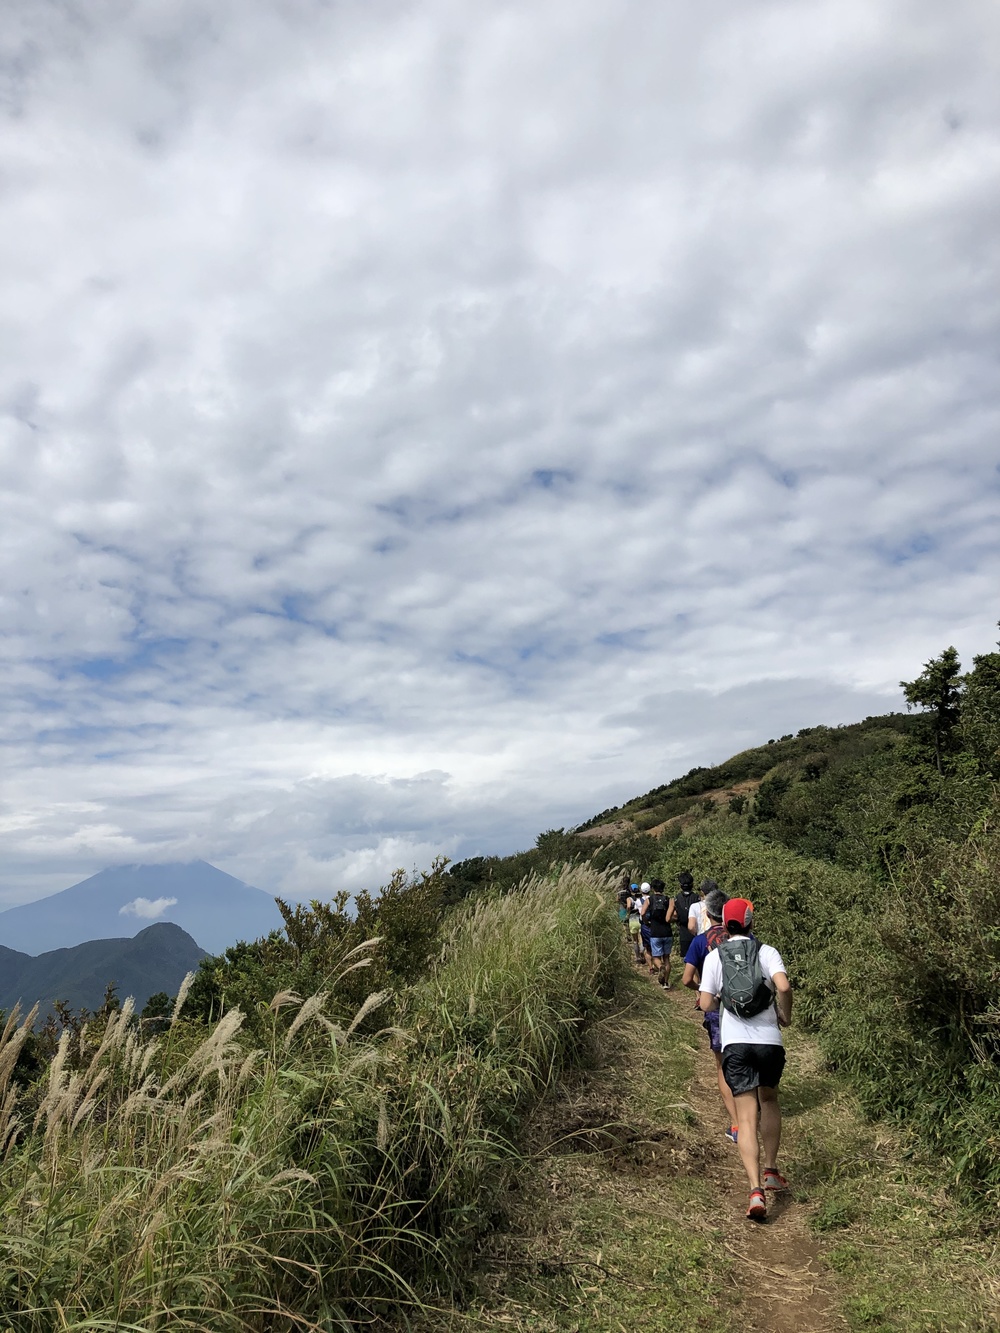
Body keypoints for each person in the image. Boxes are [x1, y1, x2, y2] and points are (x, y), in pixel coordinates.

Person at [697, 898, 792, 1222]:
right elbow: (783, 987)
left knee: (747, 1118)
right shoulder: (767, 952)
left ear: (723, 924)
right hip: (769, 1042)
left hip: (735, 1044)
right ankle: (771, 1171)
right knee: (770, 1100)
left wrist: (726, 1003)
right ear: (752, 923)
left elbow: (705, 1003)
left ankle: (755, 1191)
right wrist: (785, 1015)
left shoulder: (715, 956)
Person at [681, 887, 738, 1143]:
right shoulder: (743, 938)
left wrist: (702, 989)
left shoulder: (700, 942)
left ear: (707, 913)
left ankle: (737, 1124)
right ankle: (752, 1108)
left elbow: (686, 979)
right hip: (744, 1007)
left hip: (716, 1009)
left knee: (723, 1065)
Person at [641, 878, 673, 987]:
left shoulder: (649, 900)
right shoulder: (668, 900)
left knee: (656, 958)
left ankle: (660, 967)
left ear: (653, 888)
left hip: (655, 932)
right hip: (667, 932)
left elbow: (643, 912)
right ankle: (666, 983)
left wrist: (646, 922)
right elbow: (673, 915)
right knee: (667, 958)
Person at [671, 871, 698, 960]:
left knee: (687, 959)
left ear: (681, 885)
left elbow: (673, 915)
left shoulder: (676, 898)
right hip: (696, 932)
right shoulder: (697, 897)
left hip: (683, 933)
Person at [637, 881, 653, 972]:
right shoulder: (652, 899)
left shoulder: (638, 901)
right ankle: (658, 964)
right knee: (655, 946)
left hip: (644, 925)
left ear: (641, 890)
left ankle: (651, 968)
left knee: (648, 948)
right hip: (654, 924)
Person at [626, 882, 644, 964]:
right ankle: (642, 952)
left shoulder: (629, 898)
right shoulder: (641, 898)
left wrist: (629, 911)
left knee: (635, 940)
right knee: (641, 939)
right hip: (641, 919)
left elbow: (628, 906)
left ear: (630, 890)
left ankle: (637, 958)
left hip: (633, 920)